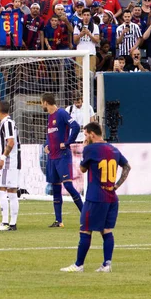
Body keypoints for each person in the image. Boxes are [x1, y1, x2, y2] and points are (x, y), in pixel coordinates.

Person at [60, 122, 131, 273]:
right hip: (112, 197)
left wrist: (85, 148)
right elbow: (127, 167)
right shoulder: (113, 149)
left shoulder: (90, 149)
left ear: (92, 134)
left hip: (96, 197)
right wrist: (117, 186)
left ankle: (78, 265)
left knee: (85, 230)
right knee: (106, 231)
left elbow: (82, 169)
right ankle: (107, 264)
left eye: (85, 135)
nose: (85, 138)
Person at [42, 93, 82, 227]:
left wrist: (67, 143)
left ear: (46, 102)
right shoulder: (50, 117)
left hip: (63, 156)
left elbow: (75, 126)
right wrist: (46, 145)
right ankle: (58, 221)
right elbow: (50, 135)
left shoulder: (62, 113)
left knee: (69, 185)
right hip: (52, 157)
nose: (42, 105)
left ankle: (86, 215)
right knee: (56, 188)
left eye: (42, 103)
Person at [0, 100, 21, 232]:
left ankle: (5, 222)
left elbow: (11, 142)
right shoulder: (7, 123)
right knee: (11, 192)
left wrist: (2, 158)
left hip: (9, 162)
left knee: (0, 190)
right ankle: (12, 223)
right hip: (13, 161)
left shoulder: (7, 123)